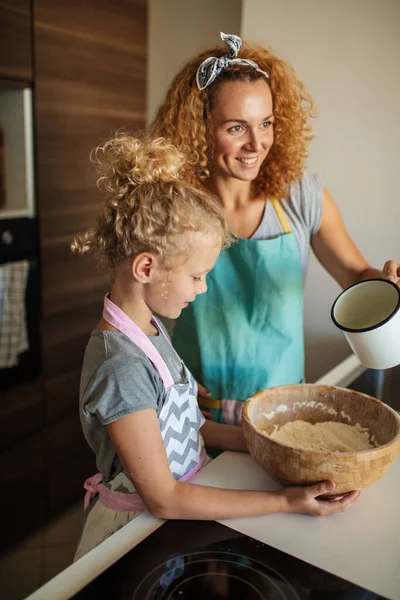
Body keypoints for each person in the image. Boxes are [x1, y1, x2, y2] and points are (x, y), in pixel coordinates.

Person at [71, 133, 359, 559]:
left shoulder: (150, 331)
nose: (203, 288)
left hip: (178, 514)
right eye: (195, 276)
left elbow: (192, 427)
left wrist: (281, 448)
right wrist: (284, 502)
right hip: (134, 537)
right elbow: (164, 497)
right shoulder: (123, 368)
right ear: (146, 267)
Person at [151, 32, 400, 427]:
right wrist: (161, 367)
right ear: (199, 126)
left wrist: (387, 284)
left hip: (286, 414)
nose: (256, 144)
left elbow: (354, 274)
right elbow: (134, 304)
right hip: (197, 417)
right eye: (236, 128)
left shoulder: (302, 198)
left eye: (265, 123)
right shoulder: (170, 205)